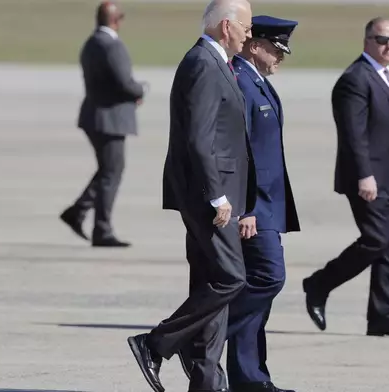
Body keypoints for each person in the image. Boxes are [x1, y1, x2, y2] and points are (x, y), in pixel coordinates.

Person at [126, 1, 255, 391]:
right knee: (232, 277)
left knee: (211, 282)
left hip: (216, 191)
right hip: (209, 195)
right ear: (227, 26)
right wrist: (217, 196)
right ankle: (157, 342)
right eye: (246, 27)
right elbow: (198, 139)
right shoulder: (202, 62)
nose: (250, 34)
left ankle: (206, 381)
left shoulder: (214, 61)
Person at [176, 15, 300, 392]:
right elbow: (237, 150)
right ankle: (197, 341)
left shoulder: (258, 82)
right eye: (276, 49)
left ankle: (250, 376)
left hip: (267, 206)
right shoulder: (240, 81)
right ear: (255, 45)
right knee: (268, 278)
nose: (281, 56)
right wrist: (247, 208)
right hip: (253, 208)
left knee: (256, 287)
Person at [302, 17, 389, 337]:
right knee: (376, 240)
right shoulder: (355, 80)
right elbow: (353, 134)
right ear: (366, 41)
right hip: (370, 180)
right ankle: (320, 283)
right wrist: (365, 176)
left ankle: (382, 317)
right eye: (381, 40)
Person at [59, 1, 148, 247]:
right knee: (111, 173)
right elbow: (124, 82)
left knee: (108, 171)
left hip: (95, 116)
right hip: (109, 119)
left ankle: (78, 212)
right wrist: (141, 90)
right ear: (116, 20)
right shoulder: (112, 45)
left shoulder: (91, 43)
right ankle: (101, 229)